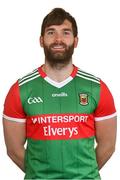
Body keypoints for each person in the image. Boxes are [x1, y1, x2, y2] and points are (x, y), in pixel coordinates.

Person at [3, 8, 117, 179]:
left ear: (76, 41)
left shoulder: (96, 88)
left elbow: (107, 146)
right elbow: (14, 150)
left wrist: (81, 174)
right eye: (51, 33)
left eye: (65, 33)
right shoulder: (20, 90)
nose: (58, 39)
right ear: (41, 40)